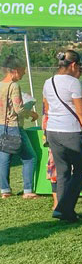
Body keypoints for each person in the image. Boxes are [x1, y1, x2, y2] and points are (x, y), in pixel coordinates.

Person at [42, 50, 82, 223]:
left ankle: (64, 210)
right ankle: (64, 208)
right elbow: (81, 112)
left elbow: (47, 108)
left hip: (53, 130)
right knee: (80, 170)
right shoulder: (74, 83)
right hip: (70, 131)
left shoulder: (47, 82)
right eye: (79, 65)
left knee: (63, 171)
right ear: (73, 65)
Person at [0, 56, 39, 199]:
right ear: (14, 71)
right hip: (14, 126)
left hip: (1, 126)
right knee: (30, 157)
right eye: (23, 70)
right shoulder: (14, 86)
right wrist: (31, 114)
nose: (23, 73)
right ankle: (28, 190)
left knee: (4, 158)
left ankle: (5, 190)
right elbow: (18, 109)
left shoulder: (0, 85)